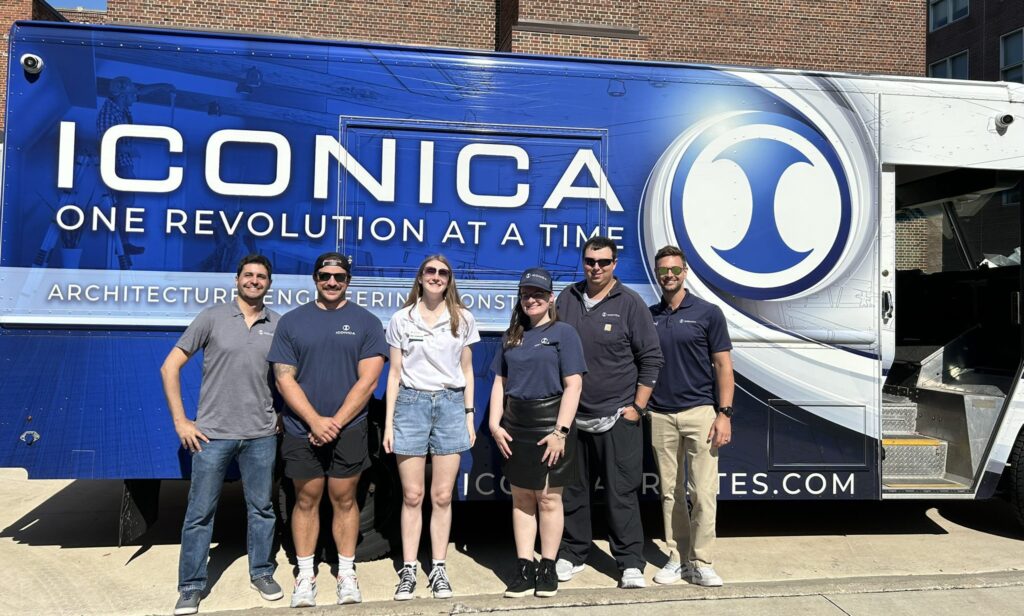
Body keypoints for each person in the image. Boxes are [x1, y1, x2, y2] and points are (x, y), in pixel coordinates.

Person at [160, 254, 283, 616]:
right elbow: (170, 366)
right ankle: (191, 586)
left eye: (261, 277)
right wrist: (182, 421)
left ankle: (261, 572)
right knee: (200, 513)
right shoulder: (212, 317)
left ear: (269, 284)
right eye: (249, 275)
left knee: (262, 510)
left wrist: (281, 415)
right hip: (212, 435)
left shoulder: (278, 323)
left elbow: (289, 378)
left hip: (261, 435)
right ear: (237, 280)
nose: (255, 281)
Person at [267, 252, 388, 608]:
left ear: (348, 280)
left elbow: (368, 381)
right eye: (325, 276)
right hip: (300, 427)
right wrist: (315, 421)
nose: (332, 282)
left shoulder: (365, 322)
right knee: (304, 500)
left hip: (349, 428)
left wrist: (334, 422)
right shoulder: (292, 322)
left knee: (345, 500)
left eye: (339, 276)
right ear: (315, 278)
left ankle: (346, 573)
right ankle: (305, 575)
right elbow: (283, 378)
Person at [555, 236, 664, 589]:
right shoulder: (566, 298)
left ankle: (630, 561)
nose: (596, 268)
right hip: (573, 417)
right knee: (572, 490)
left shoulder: (630, 303)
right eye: (590, 261)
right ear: (582, 261)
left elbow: (651, 359)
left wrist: (637, 407)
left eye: (603, 262)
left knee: (622, 492)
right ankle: (573, 552)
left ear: (614, 264)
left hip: (618, 416)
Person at [383, 255, 480, 600]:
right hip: (410, 406)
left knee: (441, 495)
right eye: (430, 271)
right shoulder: (401, 318)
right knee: (412, 495)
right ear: (420, 277)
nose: (436, 276)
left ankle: (438, 567)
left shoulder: (463, 318)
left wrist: (469, 414)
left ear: (449, 279)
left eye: (443, 272)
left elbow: (467, 371)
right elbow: (394, 374)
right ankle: (408, 570)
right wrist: (389, 424)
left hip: (451, 405)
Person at [490, 267, 586, 598]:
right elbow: (500, 383)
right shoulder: (511, 336)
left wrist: (560, 431)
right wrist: (494, 423)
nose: (531, 300)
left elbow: (573, 385)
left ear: (550, 299)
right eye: (526, 294)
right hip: (516, 424)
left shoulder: (564, 333)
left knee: (548, 499)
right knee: (521, 499)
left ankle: (547, 567)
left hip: (550, 423)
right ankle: (523, 567)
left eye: (538, 294)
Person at [648, 246, 734, 587]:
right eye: (663, 271)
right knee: (669, 492)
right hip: (660, 415)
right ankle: (677, 557)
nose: (669, 275)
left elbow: (724, 366)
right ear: (658, 274)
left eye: (674, 270)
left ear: (685, 273)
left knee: (702, 492)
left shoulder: (708, 313)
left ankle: (702, 561)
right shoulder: (650, 315)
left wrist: (724, 413)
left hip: (701, 413)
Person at [95, 75, 175, 263]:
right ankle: (124, 243)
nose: (135, 97)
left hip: (125, 162)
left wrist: (165, 85)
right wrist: (129, 149)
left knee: (128, 201)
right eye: (131, 94)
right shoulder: (109, 113)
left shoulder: (120, 104)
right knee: (125, 202)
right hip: (116, 163)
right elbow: (106, 142)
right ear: (123, 95)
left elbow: (142, 91)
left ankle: (124, 243)